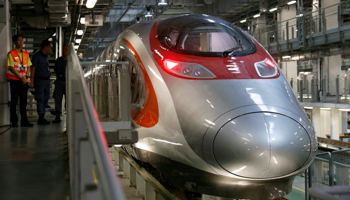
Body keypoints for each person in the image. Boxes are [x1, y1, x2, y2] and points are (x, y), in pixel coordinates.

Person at [6, 34, 34, 127]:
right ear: (14, 42)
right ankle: (14, 121)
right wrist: (21, 77)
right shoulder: (11, 54)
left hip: (24, 81)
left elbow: (28, 66)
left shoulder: (26, 54)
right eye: (19, 40)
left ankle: (24, 121)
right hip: (15, 80)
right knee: (14, 101)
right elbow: (12, 67)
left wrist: (26, 76)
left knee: (24, 102)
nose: (21, 42)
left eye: (22, 40)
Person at [30, 39, 52, 125]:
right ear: (45, 47)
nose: (50, 49)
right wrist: (31, 81)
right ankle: (41, 117)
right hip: (40, 81)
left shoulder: (46, 57)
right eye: (49, 47)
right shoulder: (37, 56)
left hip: (46, 81)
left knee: (46, 98)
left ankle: (42, 116)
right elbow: (33, 69)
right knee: (40, 99)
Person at [52, 44, 69, 123]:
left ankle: (68, 115)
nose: (64, 51)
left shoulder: (71, 61)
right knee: (58, 99)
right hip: (59, 81)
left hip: (68, 82)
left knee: (68, 100)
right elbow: (56, 70)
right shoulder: (58, 60)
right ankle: (57, 116)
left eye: (66, 49)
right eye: (63, 49)